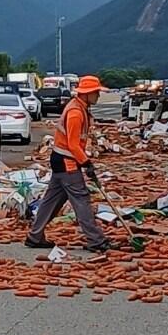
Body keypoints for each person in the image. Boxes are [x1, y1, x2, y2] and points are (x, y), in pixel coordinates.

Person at [25, 74, 109, 254]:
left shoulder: (81, 107)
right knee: (81, 199)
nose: (98, 96)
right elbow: (72, 144)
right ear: (86, 94)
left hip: (62, 159)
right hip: (66, 160)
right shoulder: (75, 113)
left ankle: (34, 236)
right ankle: (96, 240)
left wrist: (84, 162)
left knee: (51, 200)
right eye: (96, 93)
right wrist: (86, 163)